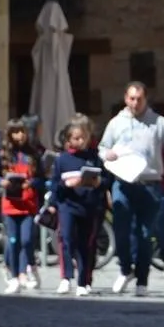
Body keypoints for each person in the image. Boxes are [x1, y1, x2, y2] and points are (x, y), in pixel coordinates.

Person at [98, 81, 164, 297]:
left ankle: (142, 280)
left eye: (139, 99)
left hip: (150, 184)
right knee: (122, 231)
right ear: (126, 98)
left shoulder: (158, 122)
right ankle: (125, 269)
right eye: (132, 98)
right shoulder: (116, 123)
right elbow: (102, 148)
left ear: (145, 99)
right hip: (122, 184)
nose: (135, 103)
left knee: (144, 235)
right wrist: (107, 155)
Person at [51, 121, 109, 296]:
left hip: (88, 206)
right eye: (76, 138)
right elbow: (54, 185)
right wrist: (66, 185)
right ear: (68, 140)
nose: (81, 141)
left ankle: (83, 282)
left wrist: (99, 182)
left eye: (83, 137)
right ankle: (66, 278)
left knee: (85, 244)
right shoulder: (62, 160)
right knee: (67, 239)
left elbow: (105, 180)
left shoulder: (94, 157)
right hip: (68, 205)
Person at [0, 119, 45, 294]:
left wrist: (31, 183)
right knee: (13, 241)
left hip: (28, 205)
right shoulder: (4, 155)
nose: (20, 135)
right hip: (10, 205)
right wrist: (1, 182)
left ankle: (30, 266)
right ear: (10, 135)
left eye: (23, 131)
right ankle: (15, 277)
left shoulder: (33, 154)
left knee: (27, 240)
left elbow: (42, 179)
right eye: (16, 132)